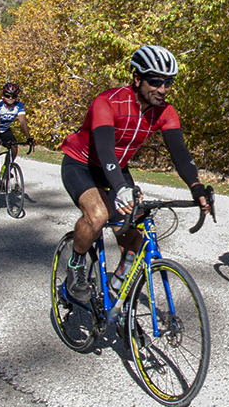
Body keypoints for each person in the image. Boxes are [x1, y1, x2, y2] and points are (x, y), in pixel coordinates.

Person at [60, 45, 212, 303]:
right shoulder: (107, 102)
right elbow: (105, 149)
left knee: (136, 234)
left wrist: (196, 187)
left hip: (117, 169)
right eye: (155, 81)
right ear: (137, 78)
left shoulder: (165, 112)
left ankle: (118, 293)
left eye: (168, 83)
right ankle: (76, 265)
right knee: (97, 216)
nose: (162, 89)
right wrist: (120, 188)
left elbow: (180, 153)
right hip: (82, 164)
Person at [0, 82, 34, 210]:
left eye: (13, 96)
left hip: (5, 130)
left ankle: (5, 169)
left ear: (17, 97)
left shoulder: (18, 106)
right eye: (7, 95)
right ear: (3, 95)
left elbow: (22, 121)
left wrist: (29, 137)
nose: (10, 98)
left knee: (14, 147)